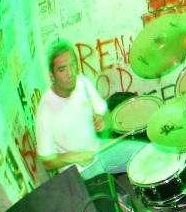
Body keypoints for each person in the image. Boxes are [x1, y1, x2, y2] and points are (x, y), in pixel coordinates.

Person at [36, 39, 146, 180]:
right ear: (52, 76)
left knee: (145, 153)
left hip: (100, 149)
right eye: (62, 69)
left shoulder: (82, 82)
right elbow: (47, 161)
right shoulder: (45, 110)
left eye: (73, 65)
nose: (70, 73)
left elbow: (106, 115)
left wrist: (103, 122)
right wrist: (72, 156)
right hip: (79, 170)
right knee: (109, 193)